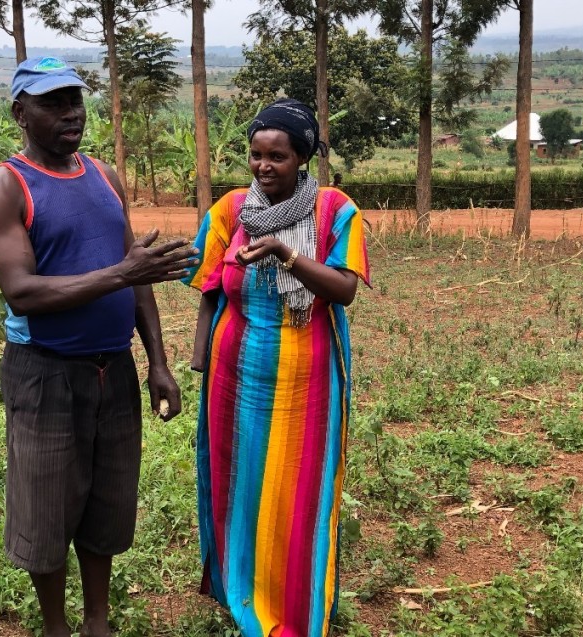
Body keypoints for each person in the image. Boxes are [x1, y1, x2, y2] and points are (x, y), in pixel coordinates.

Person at [0, 56, 198, 637]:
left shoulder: (102, 174)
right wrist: (124, 273)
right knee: (47, 508)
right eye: (52, 103)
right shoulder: (7, 185)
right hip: (45, 372)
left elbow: (137, 276)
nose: (71, 112)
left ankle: (97, 620)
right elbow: (22, 291)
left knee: (107, 501)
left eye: (74, 100)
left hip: (114, 370)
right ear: (19, 113)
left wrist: (158, 362)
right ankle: (56, 626)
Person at [183, 98, 371, 637]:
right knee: (235, 480)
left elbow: (345, 290)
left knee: (298, 489)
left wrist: (285, 255)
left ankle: (291, 609)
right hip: (232, 373)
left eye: (278, 157)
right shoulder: (229, 211)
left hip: (304, 377)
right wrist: (198, 356)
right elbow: (210, 290)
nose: (264, 167)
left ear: (302, 158)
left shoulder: (335, 211)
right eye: (256, 155)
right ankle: (238, 589)